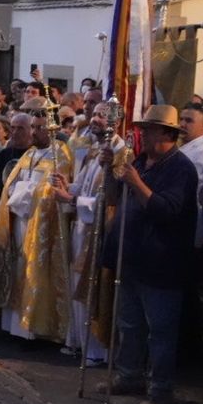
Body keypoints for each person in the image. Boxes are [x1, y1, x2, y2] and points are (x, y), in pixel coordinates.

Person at [100, 105, 199, 404]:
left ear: (167, 134)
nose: (142, 133)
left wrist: (135, 181)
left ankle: (160, 390)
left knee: (160, 331)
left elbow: (166, 210)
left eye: (149, 129)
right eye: (143, 128)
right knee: (129, 323)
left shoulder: (180, 168)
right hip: (131, 257)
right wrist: (109, 171)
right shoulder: (141, 160)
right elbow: (114, 198)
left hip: (161, 262)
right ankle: (129, 375)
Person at [0, 109, 73, 345]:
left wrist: (30, 193)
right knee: (18, 268)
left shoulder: (61, 154)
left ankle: (34, 330)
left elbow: (56, 188)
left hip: (42, 225)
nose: (35, 132)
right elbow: (11, 182)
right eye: (34, 127)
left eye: (39, 128)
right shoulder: (29, 154)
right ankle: (14, 327)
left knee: (35, 273)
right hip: (19, 219)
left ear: (52, 130)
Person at [54, 102, 121, 362]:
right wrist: (66, 187)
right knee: (79, 285)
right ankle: (81, 343)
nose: (95, 120)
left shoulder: (117, 153)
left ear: (115, 122)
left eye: (102, 116)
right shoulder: (95, 150)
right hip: (82, 229)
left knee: (94, 288)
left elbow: (109, 203)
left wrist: (72, 201)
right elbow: (83, 186)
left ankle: (96, 350)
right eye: (94, 114)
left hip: (99, 231)